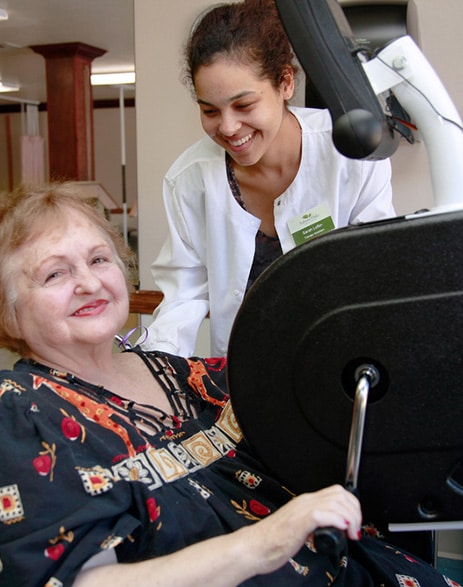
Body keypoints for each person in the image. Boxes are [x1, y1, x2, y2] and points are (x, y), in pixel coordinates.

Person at [0, 182, 463, 587]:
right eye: (54, 274)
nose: (88, 282)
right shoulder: (12, 417)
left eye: (99, 260)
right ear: (6, 309)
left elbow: (300, 404)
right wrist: (265, 542)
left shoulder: (182, 376)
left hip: (350, 575)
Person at [143, 0, 395, 357]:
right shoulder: (190, 180)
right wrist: (154, 364)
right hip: (243, 375)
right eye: (210, 110)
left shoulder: (350, 156)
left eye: (244, 106)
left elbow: (377, 275)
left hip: (339, 362)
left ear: (286, 83)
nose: (228, 128)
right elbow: (182, 297)